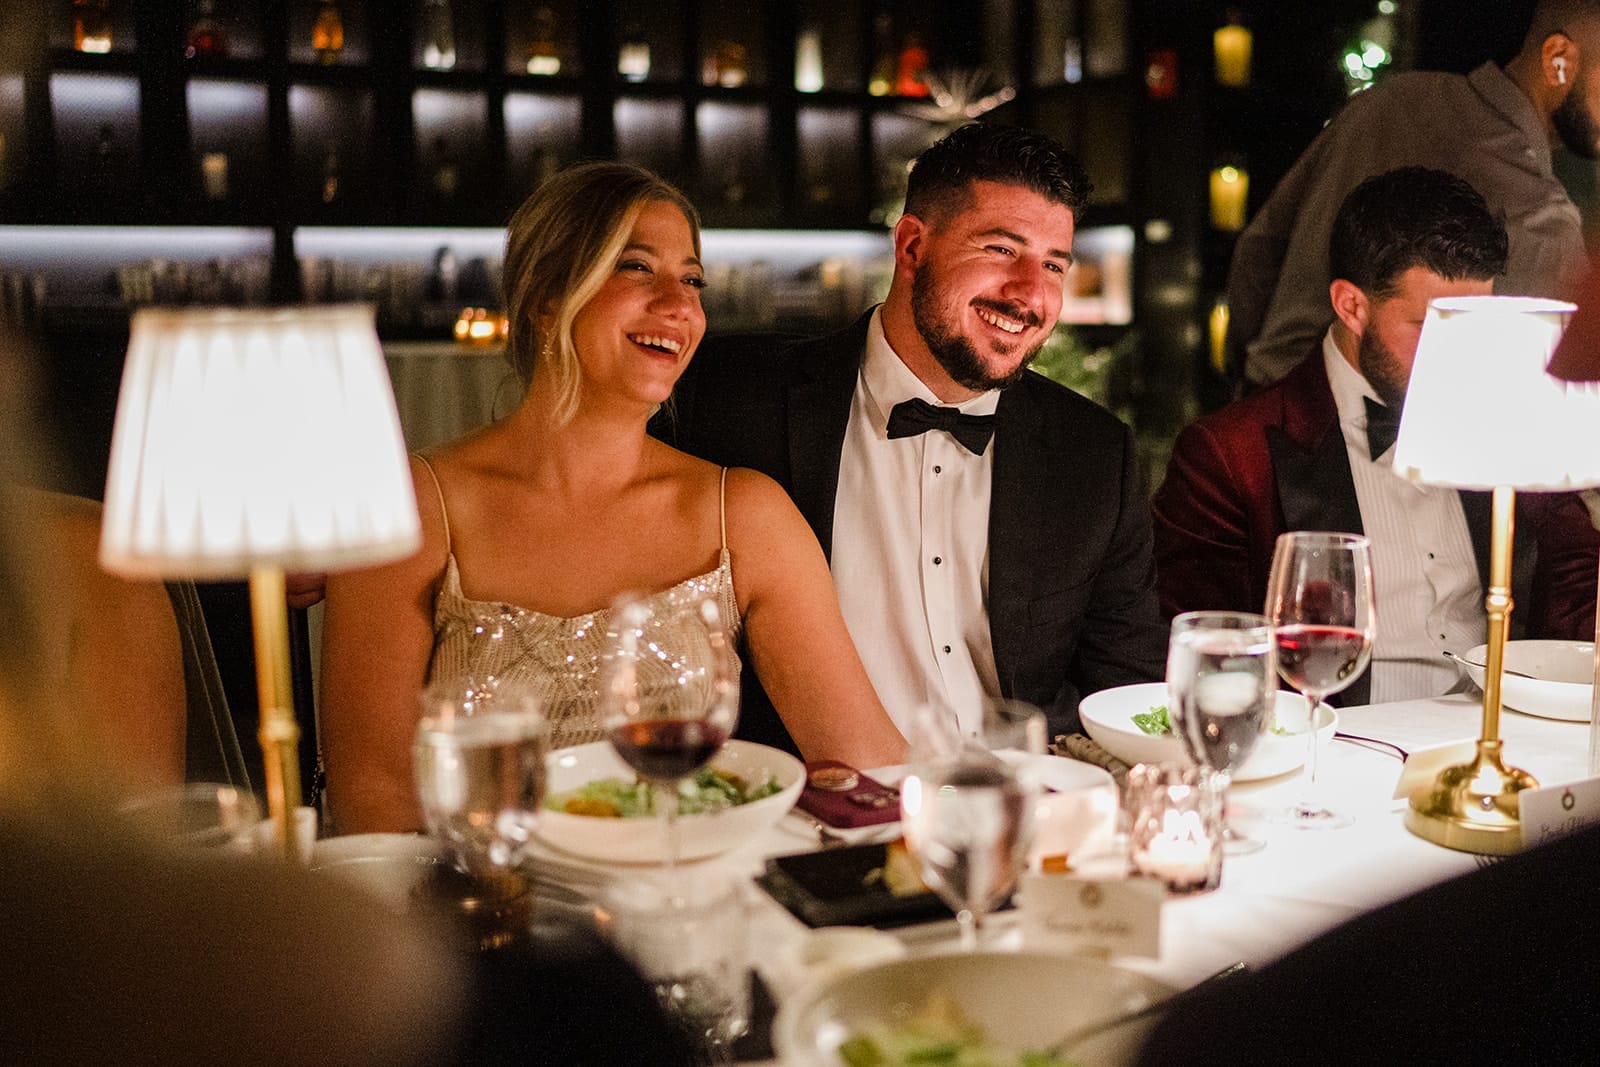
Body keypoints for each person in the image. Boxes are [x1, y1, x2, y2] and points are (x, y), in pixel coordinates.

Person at [319, 162, 907, 834]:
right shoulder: (415, 507)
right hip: (478, 910)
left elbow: (869, 769)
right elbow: (374, 801)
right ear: (546, 295)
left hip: (689, 900)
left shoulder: (743, 515)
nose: (681, 305)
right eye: (636, 267)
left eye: (692, 280)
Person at [659, 123, 1167, 747]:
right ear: (911, 249)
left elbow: (1126, 690)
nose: (1031, 293)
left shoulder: (1096, 455)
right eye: (1001, 250)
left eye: (1053, 264)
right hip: (818, 809)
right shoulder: (731, 400)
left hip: (1022, 804)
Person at [1154, 166, 1600, 705]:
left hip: (1501, 735)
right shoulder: (1230, 456)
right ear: (1352, 307)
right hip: (1338, 747)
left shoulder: (1510, 421)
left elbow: (1577, 595)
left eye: (1471, 322)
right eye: (1431, 326)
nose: (1456, 358)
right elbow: (1207, 664)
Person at [1229, 0, 1598, 389]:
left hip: (1263, 405)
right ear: (1558, 59)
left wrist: (1248, 398)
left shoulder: (1391, 98)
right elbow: (1544, 392)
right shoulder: (1542, 216)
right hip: (1367, 440)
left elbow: (1255, 259)